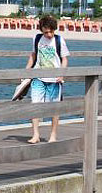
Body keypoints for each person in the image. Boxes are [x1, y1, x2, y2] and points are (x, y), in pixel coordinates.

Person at [25, 14, 70, 143]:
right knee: (35, 106)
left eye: (51, 31)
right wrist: (26, 71)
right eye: (46, 32)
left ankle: (53, 135)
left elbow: (65, 59)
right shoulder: (37, 38)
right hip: (38, 77)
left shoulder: (59, 40)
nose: (49, 34)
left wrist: (61, 74)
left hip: (54, 80)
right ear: (41, 30)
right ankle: (35, 135)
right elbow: (33, 56)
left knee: (54, 108)